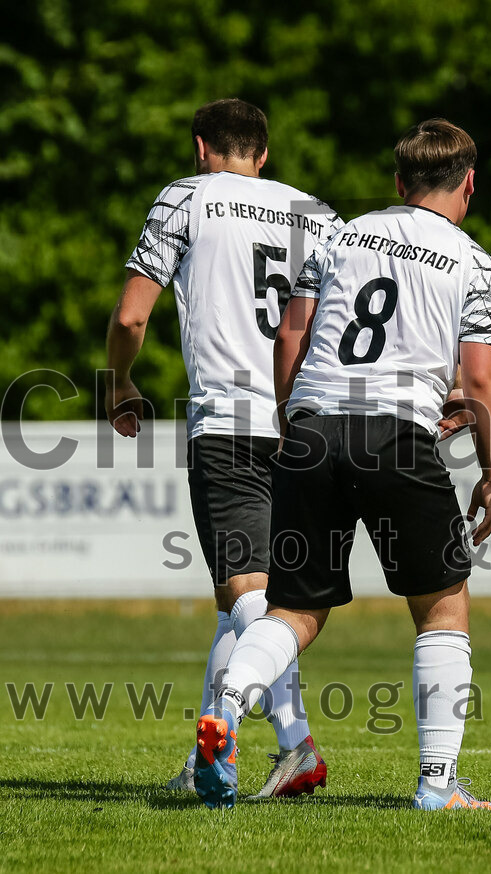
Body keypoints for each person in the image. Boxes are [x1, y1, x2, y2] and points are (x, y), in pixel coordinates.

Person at [193, 119, 491, 811]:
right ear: (469, 184)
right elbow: (483, 378)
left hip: (312, 428)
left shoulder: (340, 236)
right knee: (442, 606)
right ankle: (438, 786)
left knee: (295, 607)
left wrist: (291, 418)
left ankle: (229, 707)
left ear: (398, 182)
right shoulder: (472, 260)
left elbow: (293, 333)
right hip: (395, 433)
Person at [105, 98, 340, 797]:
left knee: (248, 594)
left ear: (200, 147)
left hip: (231, 421)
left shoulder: (187, 197)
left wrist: (119, 380)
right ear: (263, 154)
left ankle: (297, 744)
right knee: (230, 599)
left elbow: (132, 315)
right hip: (309, 423)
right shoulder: (317, 213)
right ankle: (201, 757)